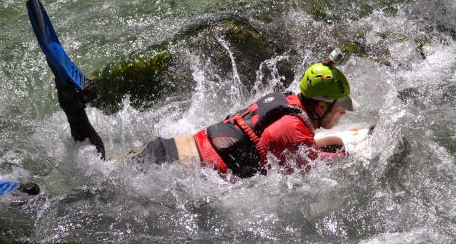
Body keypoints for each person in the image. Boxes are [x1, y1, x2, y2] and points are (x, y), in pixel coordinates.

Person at [55, 57, 358, 178]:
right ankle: (73, 108)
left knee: (96, 170)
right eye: (339, 107)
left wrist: (327, 140)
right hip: (173, 169)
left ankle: (74, 106)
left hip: (168, 149)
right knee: (92, 184)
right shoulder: (292, 129)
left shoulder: (288, 101)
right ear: (319, 107)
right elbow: (312, 173)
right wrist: (345, 154)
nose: (343, 112)